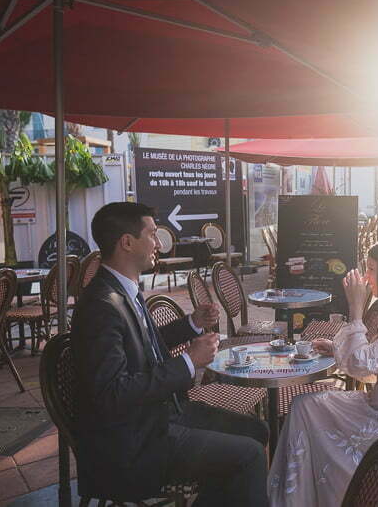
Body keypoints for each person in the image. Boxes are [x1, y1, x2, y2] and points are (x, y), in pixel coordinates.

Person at [72, 202, 269, 506]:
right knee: (250, 456)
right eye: (152, 234)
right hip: (134, 444)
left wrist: (192, 324)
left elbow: (141, 344)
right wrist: (189, 361)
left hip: (160, 416)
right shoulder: (101, 305)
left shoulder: (121, 289)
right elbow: (112, 393)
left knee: (257, 430)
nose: (159, 244)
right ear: (127, 242)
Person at [268, 236, 378, 507]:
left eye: (371, 269)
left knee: (308, 410)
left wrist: (356, 310)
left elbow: (362, 367)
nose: (367, 277)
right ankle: (297, 496)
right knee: (305, 406)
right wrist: (336, 349)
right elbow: (373, 362)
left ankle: (303, 497)